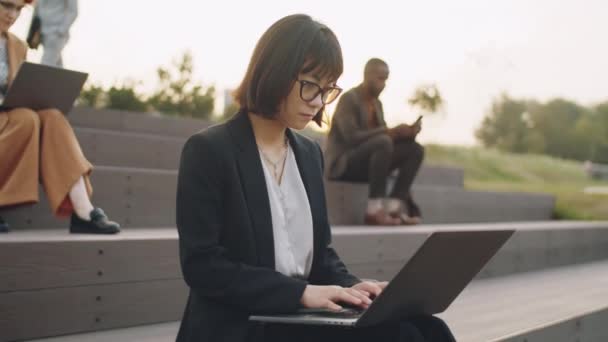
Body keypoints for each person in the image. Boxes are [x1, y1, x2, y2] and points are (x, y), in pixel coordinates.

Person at [175, 14, 454, 342]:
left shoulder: (308, 154)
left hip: (298, 316)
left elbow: (320, 256)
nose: (319, 102)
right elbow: (202, 266)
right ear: (274, 72)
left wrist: (353, 287)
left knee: (429, 329)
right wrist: (300, 294)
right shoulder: (209, 150)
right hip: (244, 323)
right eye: (310, 86)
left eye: (327, 90)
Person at [0, 0, 119, 234]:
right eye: (6, 5)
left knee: (52, 116)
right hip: (13, 120)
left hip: (9, 115)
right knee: (26, 119)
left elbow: (17, 88)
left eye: (18, 9)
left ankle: (83, 211)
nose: (12, 14)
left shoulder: (17, 45)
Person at [325, 58, 424, 226]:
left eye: (386, 79)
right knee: (383, 141)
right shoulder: (349, 99)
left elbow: (386, 138)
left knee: (415, 150)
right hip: (344, 164)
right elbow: (351, 137)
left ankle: (393, 209)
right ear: (367, 76)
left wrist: (405, 135)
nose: (384, 84)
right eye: (380, 78)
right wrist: (389, 131)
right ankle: (373, 210)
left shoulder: (377, 104)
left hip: (371, 164)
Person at [33, 0, 78, 67]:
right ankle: (62, 77)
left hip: (55, 33)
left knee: (46, 63)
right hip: (43, 32)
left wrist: (61, 30)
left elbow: (73, 11)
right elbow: (38, 7)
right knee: (56, 64)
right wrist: (36, 31)